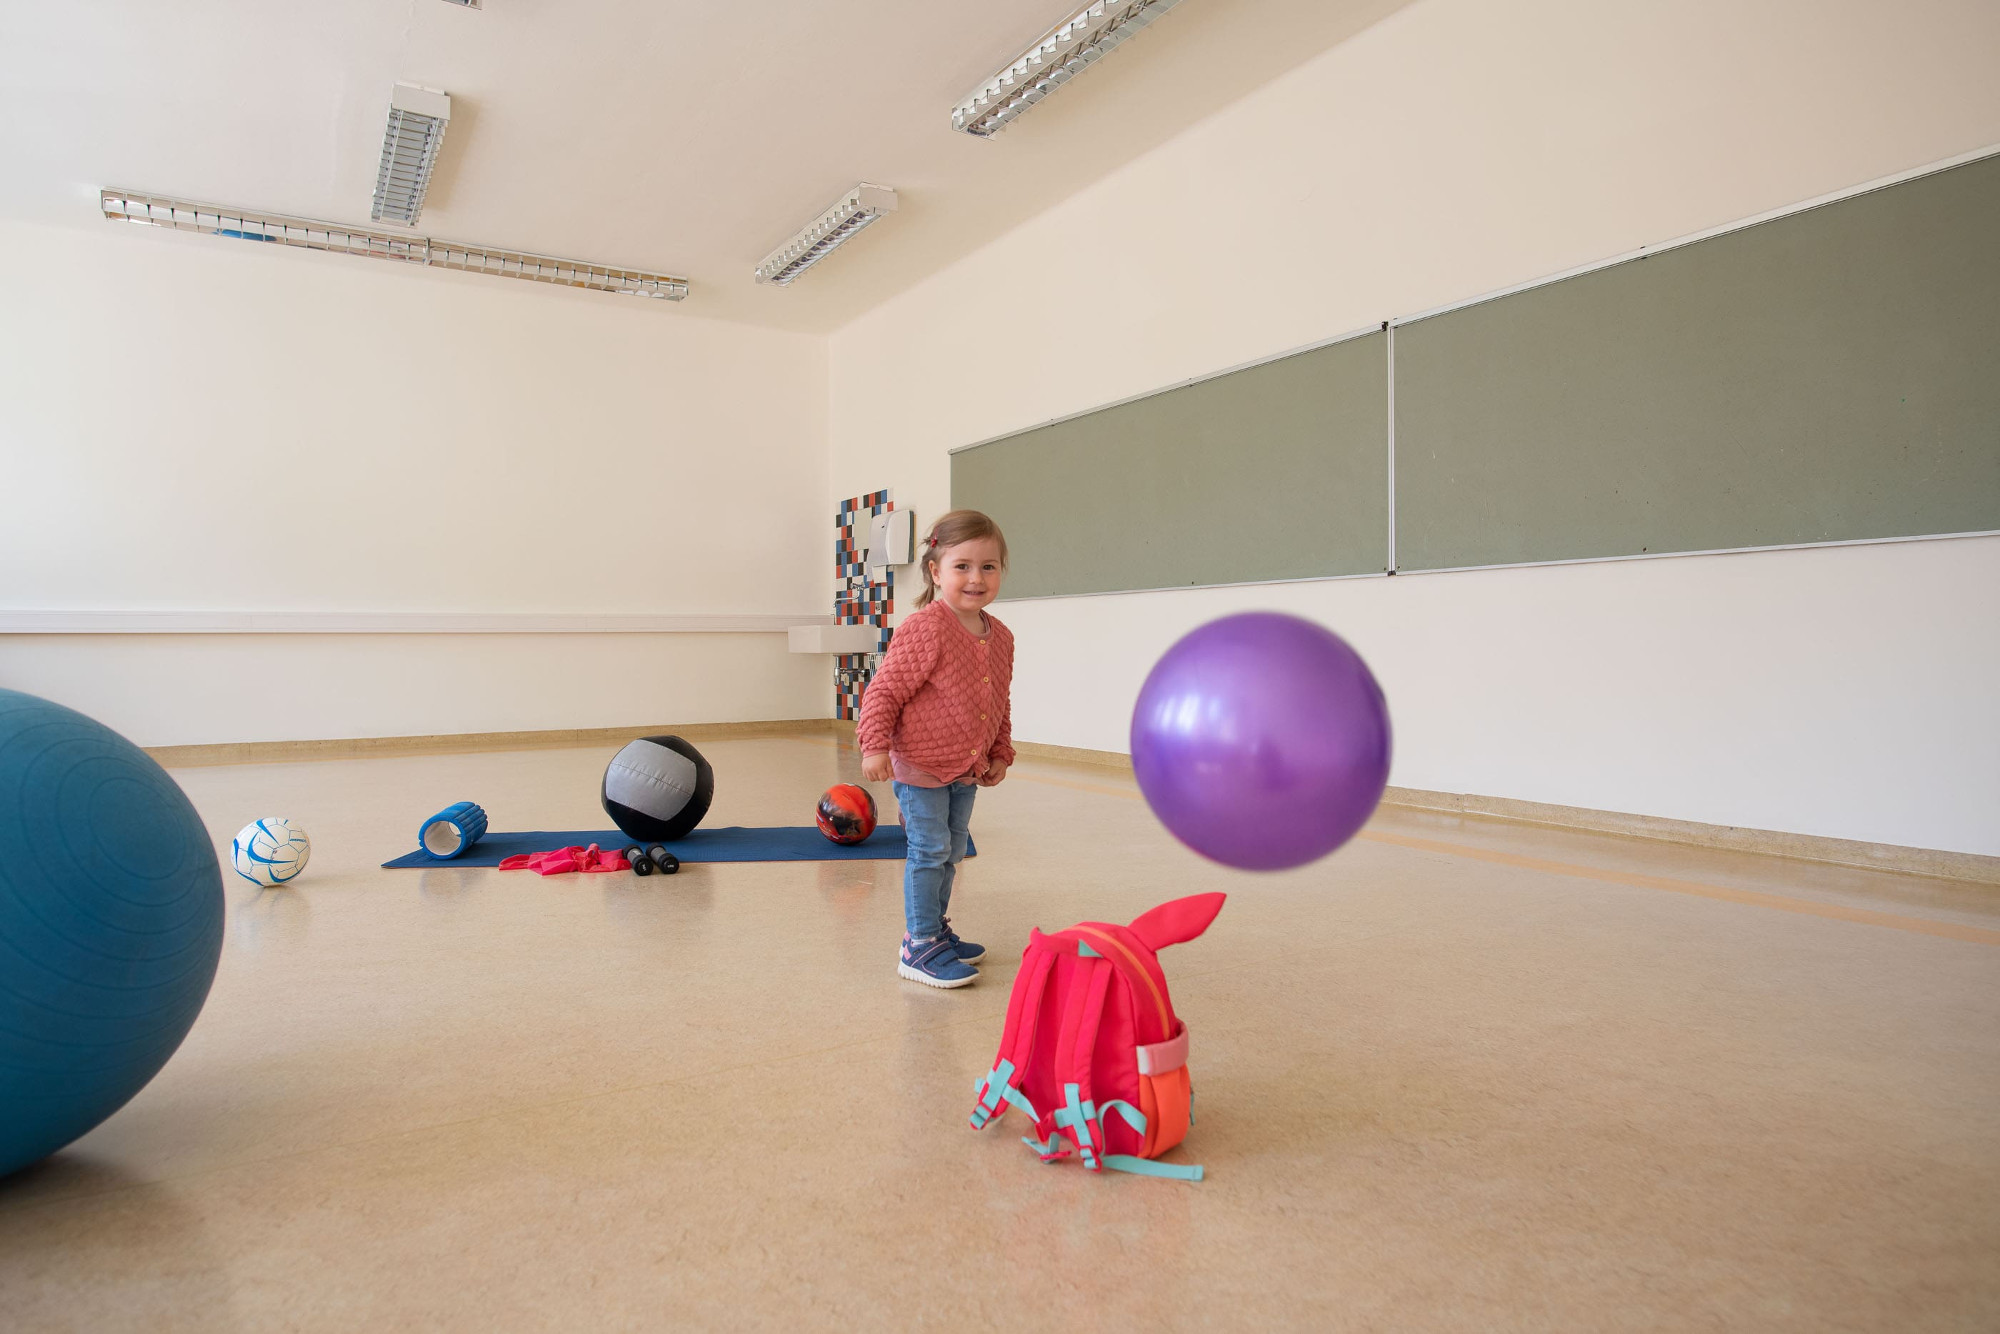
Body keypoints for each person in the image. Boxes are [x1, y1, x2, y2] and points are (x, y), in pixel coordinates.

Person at [857, 509, 1014, 988]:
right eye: (962, 566)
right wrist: (874, 746)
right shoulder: (926, 628)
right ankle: (918, 944)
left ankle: (937, 931)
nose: (976, 577)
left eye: (989, 566)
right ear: (935, 571)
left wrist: (999, 752)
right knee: (928, 852)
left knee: (950, 853)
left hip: (966, 769)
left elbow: (998, 701)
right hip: (921, 765)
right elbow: (884, 691)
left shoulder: (1001, 636)